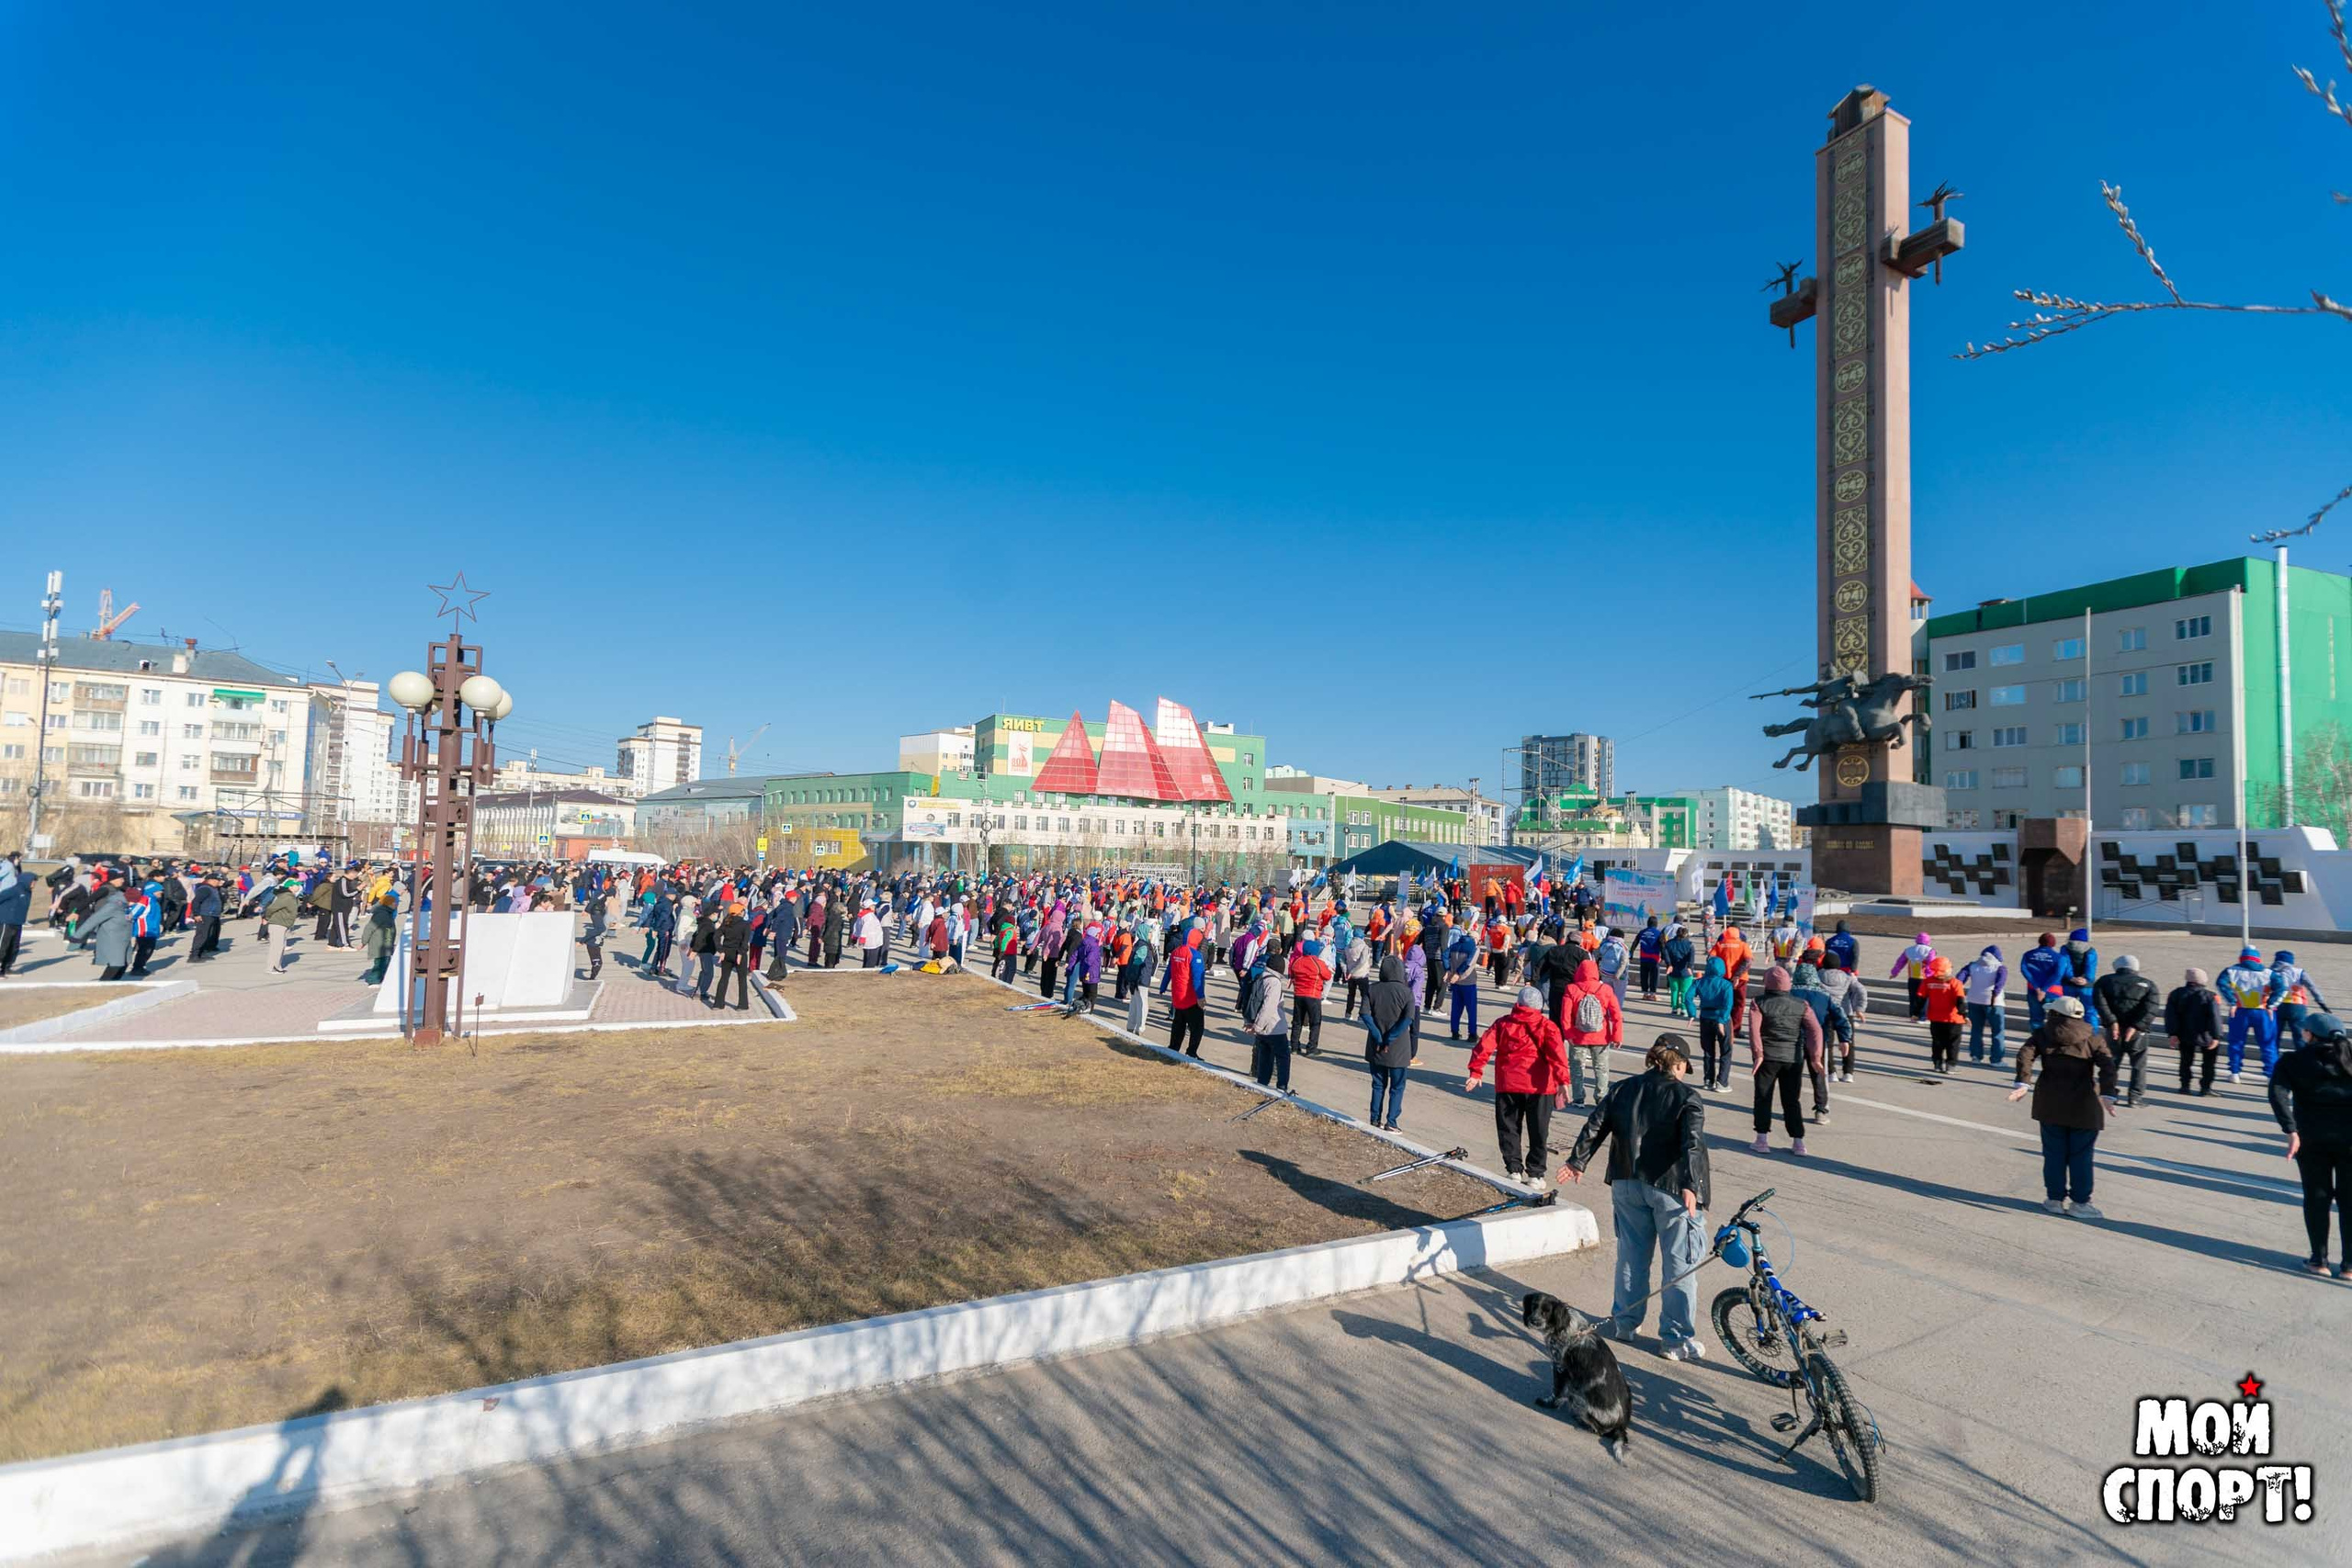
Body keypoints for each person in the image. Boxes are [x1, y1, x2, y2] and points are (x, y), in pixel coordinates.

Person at [1560, 1034, 1711, 1361]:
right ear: (1679, 1064)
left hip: (1627, 1182)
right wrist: (1692, 1184)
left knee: (1632, 1255)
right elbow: (1693, 1143)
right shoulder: (1687, 1096)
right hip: (1671, 1188)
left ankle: (1626, 1323)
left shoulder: (1624, 1088)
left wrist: (1577, 1161)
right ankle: (1675, 1339)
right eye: (1686, 1066)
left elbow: (1595, 1124)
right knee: (1680, 1265)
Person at [2009, 994, 2116, 1219]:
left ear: (2055, 1014)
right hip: (2084, 1104)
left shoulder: (2042, 1035)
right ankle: (2080, 1203)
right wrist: (2108, 1093)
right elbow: (2108, 1065)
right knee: (2082, 1156)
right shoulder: (2093, 1038)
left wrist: (2023, 1082)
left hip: (2050, 1103)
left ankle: (2054, 1199)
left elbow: (2025, 1054)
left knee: (2054, 1154)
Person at [2267, 1010, 2352, 1278]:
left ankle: (2319, 1260)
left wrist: (2290, 1130)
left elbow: (2277, 1094)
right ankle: (2350, 1266)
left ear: (2309, 1035)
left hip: (2311, 1139)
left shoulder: (2293, 1061)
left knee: (2317, 1198)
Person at [1464, 986, 1569, 1187]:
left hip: (1508, 1084)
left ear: (1518, 1004)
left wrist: (1476, 1072)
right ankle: (1536, 1174)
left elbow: (1483, 1046)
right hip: (1539, 1086)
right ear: (1540, 1006)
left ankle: (1514, 1170)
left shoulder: (1503, 1024)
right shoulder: (1547, 1026)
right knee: (1539, 1130)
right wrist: (1563, 1082)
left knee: (1508, 1128)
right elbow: (1558, 1056)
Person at [1747, 964, 1822, 1155]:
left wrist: (1758, 1054)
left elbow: (1754, 1030)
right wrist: (1815, 1056)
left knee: (1763, 1098)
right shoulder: (1802, 1004)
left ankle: (1762, 1140)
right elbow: (1815, 1030)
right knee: (1791, 1100)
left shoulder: (1759, 1002)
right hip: (1793, 1058)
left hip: (1767, 1058)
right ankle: (1798, 1142)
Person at [2094, 954, 2160, 1107]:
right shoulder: (2148, 984)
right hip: (2137, 1032)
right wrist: (2137, 1026)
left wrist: (2112, 1022)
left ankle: (2109, 1094)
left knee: (2111, 1063)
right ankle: (2135, 1097)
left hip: (2113, 1030)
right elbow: (2151, 1008)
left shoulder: (2104, 981)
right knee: (2138, 1064)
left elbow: (2100, 1003)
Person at [1557, 956, 1623, 1109]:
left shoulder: (1571, 989)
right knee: (1601, 1068)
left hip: (1578, 1036)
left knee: (1577, 1068)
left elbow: (1565, 1015)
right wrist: (1617, 1036)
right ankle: (1601, 1097)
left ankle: (1579, 1098)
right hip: (1601, 1036)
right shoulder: (1606, 989)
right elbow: (1616, 1015)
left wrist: (1568, 1034)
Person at [1362, 953, 1417, 1132]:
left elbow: (1365, 1014)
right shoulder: (1406, 992)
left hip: (1376, 1046)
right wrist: (1390, 1038)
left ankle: (1374, 1118)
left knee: (1378, 1084)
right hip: (1398, 1047)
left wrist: (1378, 1036)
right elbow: (1408, 1019)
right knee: (1397, 1086)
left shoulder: (1372, 989)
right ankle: (1391, 1122)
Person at [2220, 943, 2278, 1082]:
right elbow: (2281, 988)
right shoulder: (2269, 973)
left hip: (2240, 1010)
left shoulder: (2230, 971)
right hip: (2263, 1011)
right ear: (2258, 959)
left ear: (2241, 958)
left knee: (2236, 1042)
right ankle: (2271, 1074)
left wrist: (2231, 1001)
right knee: (2268, 1044)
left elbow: (2221, 984)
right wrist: (2272, 1004)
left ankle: (2235, 1072)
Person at [2165, 966, 2227, 1097]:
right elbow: (2215, 1017)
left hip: (2184, 1034)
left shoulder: (2176, 994)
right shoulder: (2210, 996)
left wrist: (2172, 1033)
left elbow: (2170, 1015)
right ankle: (2205, 1088)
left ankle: (2185, 1086)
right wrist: (2216, 1035)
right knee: (2209, 1062)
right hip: (2206, 1034)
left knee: (2185, 1061)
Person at [1815, 952, 1865, 1082]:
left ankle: (1831, 1072)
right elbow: (1861, 990)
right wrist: (1859, 1009)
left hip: (1825, 1013)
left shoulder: (1818, 976)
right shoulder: (1847, 977)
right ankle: (1848, 1073)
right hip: (1845, 1013)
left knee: (1827, 1044)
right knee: (1848, 1042)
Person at [2269, 951, 2330, 1054]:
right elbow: (2312, 987)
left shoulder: (2269, 972)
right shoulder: (2299, 972)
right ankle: (2303, 1060)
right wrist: (2321, 1002)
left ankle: (2273, 1062)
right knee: (2299, 1036)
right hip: (2297, 1006)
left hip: (2276, 1007)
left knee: (2274, 1036)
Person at [74, 877, 133, 981]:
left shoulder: (125, 907)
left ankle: (114, 984)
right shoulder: (113, 906)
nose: (134, 904)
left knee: (124, 963)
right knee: (116, 964)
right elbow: (93, 920)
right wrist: (77, 936)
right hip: (112, 939)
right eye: (134, 901)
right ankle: (103, 983)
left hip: (124, 939)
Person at [1958, 945, 2007, 1066]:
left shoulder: (1973, 965)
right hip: (1994, 1002)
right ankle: (1996, 1059)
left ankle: (1976, 1056)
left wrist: (1958, 991)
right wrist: (1995, 993)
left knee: (1976, 1030)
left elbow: (1960, 978)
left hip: (1974, 1000)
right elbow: (2000, 982)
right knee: (1997, 1031)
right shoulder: (2000, 967)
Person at [1692, 955, 1736, 1090]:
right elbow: (1728, 1005)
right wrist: (1722, 1020)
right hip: (1721, 1018)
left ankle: (1708, 1080)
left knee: (1708, 1051)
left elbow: (1688, 997)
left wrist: (1692, 1012)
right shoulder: (1726, 985)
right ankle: (1722, 1082)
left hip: (1705, 1017)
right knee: (1726, 1050)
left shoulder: (1699, 982)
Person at [1167, 927, 1207, 1056]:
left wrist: (1163, 987)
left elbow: (1168, 972)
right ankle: (1192, 1051)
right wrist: (1200, 996)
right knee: (1197, 1027)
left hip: (1178, 995)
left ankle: (1173, 1048)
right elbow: (1197, 979)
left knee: (1179, 1024)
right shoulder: (1195, 955)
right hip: (1190, 997)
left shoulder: (1176, 952)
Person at [1287, 936, 1331, 1056]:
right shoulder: (1318, 963)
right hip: (1313, 994)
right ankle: (1311, 1048)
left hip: (1299, 994)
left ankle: (1294, 1046)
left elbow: (1292, 973)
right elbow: (1327, 976)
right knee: (1315, 1022)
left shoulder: (1297, 962)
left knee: (1297, 1021)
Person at [1922, 956, 1964, 1077]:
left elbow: (1920, 997)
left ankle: (1937, 1064)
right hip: (1953, 1019)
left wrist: (1915, 1013)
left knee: (1937, 1042)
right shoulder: (1955, 983)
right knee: (1953, 1043)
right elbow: (1960, 1000)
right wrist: (1965, 1015)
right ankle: (1950, 1066)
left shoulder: (1928, 981)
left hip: (1935, 1018)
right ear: (1947, 969)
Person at [2018, 932, 2064, 1031]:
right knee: (2055, 1019)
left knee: (2036, 1019)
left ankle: (2037, 1042)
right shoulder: (2059, 957)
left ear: (2040, 941)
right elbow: (2058, 974)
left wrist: (2037, 988)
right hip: (2053, 992)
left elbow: (2024, 970)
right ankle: (2053, 1042)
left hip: (2033, 991)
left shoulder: (2028, 955)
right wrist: (2044, 990)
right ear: (2053, 943)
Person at [2058, 928, 2102, 1029]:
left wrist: (2071, 978)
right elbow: (2091, 967)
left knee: (2066, 1011)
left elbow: (2065, 965)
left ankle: (2067, 1033)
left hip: (2068, 984)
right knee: (2090, 1013)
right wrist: (2085, 979)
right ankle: (2092, 1036)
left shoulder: (2065, 949)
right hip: (2087, 986)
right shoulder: (2090, 951)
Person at [1443, 923, 1481, 1041]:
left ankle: (1455, 1032)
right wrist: (1458, 973)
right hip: (1468, 981)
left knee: (1456, 1008)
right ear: (1475, 939)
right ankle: (1472, 1034)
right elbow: (1469, 963)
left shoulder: (1455, 945)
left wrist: (1448, 969)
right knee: (1471, 1010)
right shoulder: (1473, 948)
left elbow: (1444, 955)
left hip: (1456, 983)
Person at [710, 903, 751, 1009]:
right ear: (740, 912)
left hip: (726, 953)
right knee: (742, 980)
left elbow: (716, 936)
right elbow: (745, 941)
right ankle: (742, 1005)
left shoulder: (726, 922)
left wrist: (721, 950)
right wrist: (741, 953)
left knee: (724, 978)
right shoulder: (745, 924)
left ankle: (718, 1004)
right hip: (738, 954)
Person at [1890, 932, 1936, 1022]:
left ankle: (1913, 1016)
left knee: (1913, 998)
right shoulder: (1930, 950)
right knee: (1924, 998)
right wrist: (1930, 975)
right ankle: (1922, 1017)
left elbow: (1900, 962)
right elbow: (1931, 964)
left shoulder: (1908, 950)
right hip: (1924, 979)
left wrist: (1894, 973)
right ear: (1928, 941)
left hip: (1912, 978)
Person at [262, 877, 302, 975]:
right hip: (278, 923)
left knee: (279, 946)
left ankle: (275, 966)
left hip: (283, 923)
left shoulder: (291, 896)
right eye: (297, 885)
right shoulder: (286, 896)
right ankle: (273, 967)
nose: (299, 886)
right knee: (277, 947)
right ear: (291, 887)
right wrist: (266, 917)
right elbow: (272, 908)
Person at [0, 852, 30, 976]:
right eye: (20, 859)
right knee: (4, 941)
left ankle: (7, 967)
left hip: (13, 901)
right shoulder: (9, 866)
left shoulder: (13, 867)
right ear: (15, 858)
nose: (20, 861)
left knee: (13, 943)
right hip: (7, 893)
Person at [358, 895, 399, 986]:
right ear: (388, 903)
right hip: (379, 943)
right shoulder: (382, 914)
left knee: (385, 961)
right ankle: (373, 980)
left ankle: (379, 979)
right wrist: (363, 942)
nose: (396, 904)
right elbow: (370, 928)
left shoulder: (388, 912)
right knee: (380, 963)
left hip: (386, 942)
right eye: (393, 902)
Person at [1662, 921, 1699, 1019]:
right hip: (1685, 971)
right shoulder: (1690, 945)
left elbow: (1665, 955)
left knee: (1674, 990)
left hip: (1673, 970)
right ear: (1686, 934)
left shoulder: (1669, 944)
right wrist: (1690, 967)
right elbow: (1691, 958)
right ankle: (1683, 1009)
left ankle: (1674, 1008)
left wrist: (1669, 964)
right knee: (1684, 991)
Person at [582, 889, 609, 981]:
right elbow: (593, 900)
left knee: (601, 929)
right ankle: (584, 939)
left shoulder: (604, 894)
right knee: (601, 928)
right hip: (596, 912)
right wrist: (587, 910)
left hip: (598, 912)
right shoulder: (601, 894)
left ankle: (592, 940)